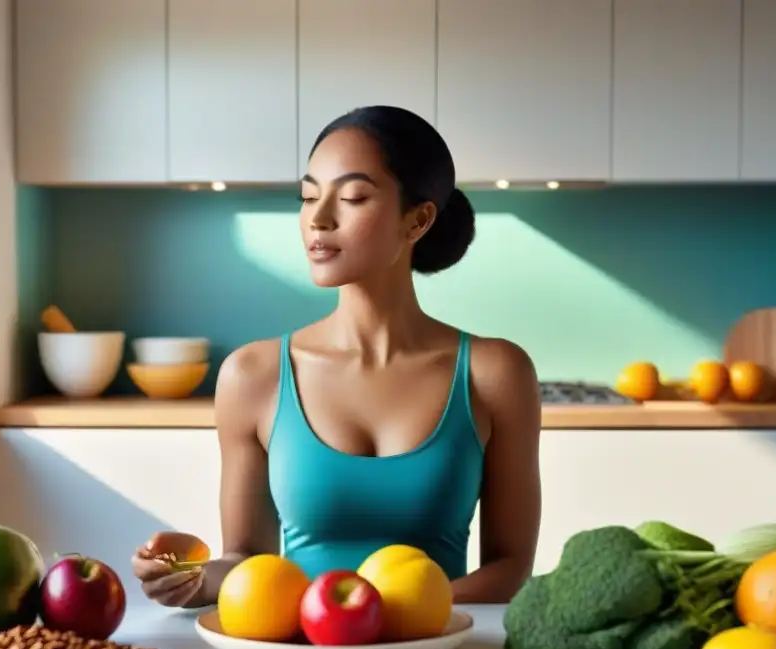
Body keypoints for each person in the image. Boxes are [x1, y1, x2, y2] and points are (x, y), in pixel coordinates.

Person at [132, 105, 542, 608]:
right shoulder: (253, 376)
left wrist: (385, 622)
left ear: (418, 220)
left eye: (351, 197)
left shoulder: (494, 373)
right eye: (308, 197)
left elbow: (510, 569)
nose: (318, 219)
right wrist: (189, 576)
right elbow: (244, 560)